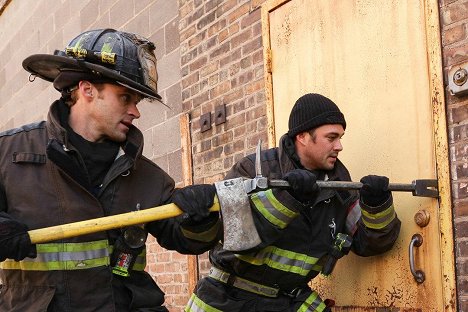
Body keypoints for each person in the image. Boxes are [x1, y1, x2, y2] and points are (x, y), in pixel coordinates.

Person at [0, 29, 221, 312]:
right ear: (87, 90)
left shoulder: (147, 176)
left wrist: (200, 221)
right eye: (125, 98)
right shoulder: (9, 156)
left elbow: (188, 241)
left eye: (136, 102)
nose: (136, 112)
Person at [185, 93, 402, 311]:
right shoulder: (253, 170)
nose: (339, 146)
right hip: (229, 298)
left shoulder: (339, 186)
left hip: (288, 298)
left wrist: (376, 206)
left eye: (340, 138)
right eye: (331, 137)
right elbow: (236, 237)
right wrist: (289, 198)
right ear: (303, 137)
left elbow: (369, 244)